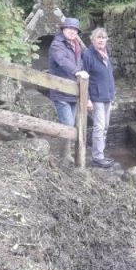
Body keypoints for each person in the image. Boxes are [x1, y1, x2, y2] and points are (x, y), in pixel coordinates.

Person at [48, 16, 87, 162]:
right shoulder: (57, 45)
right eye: (69, 28)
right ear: (63, 29)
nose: (72, 31)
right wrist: (77, 71)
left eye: (75, 29)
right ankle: (64, 155)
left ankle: (66, 154)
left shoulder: (76, 45)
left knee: (72, 124)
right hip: (61, 92)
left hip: (74, 92)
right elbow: (62, 61)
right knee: (68, 125)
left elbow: (84, 59)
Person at [82, 27, 116, 168]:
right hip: (96, 97)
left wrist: (113, 93)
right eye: (98, 37)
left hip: (107, 95)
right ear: (92, 39)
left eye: (103, 37)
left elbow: (108, 75)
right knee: (99, 127)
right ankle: (97, 157)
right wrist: (88, 99)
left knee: (105, 127)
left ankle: (100, 154)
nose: (101, 40)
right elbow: (84, 77)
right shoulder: (88, 55)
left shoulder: (106, 53)